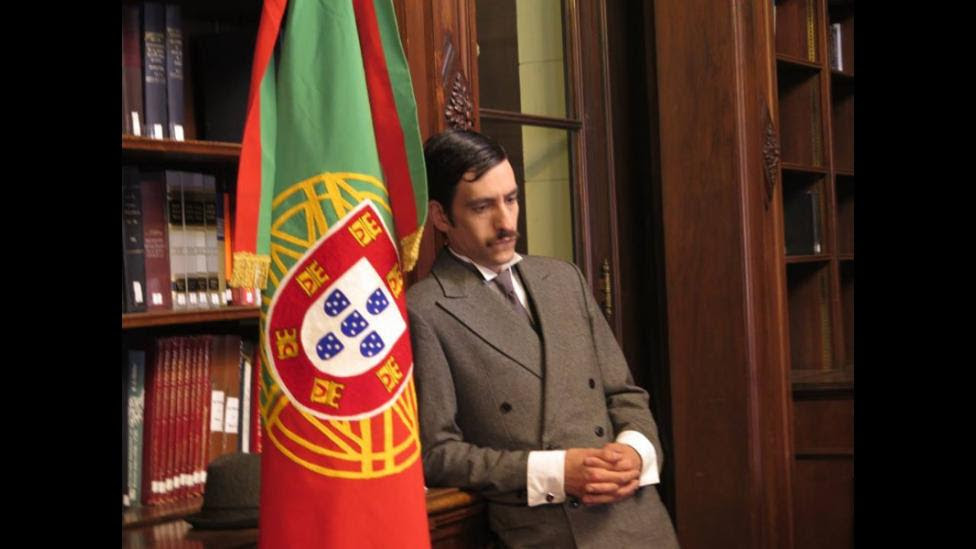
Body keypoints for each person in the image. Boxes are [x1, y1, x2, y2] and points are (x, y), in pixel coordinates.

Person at [406, 129, 679, 548]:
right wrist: (554, 473)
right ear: (441, 217)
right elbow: (436, 454)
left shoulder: (564, 279)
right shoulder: (424, 309)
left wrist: (635, 452)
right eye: (482, 207)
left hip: (641, 521)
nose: (505, 223)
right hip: (553, 534)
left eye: (511, 199)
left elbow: (624, 394)